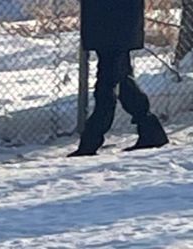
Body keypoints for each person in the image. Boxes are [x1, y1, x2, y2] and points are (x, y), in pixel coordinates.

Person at [71, 0, 168, 156]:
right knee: (122, 80)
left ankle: (91, 140)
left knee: (107, 85)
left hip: (112, 25)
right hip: (111, 24)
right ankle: (150, 130)